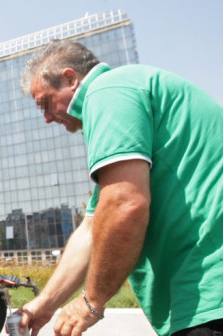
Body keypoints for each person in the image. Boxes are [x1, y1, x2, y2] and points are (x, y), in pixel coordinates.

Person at [16, 40, 223, 336]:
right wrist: (43, 305)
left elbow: (125, 204)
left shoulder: (108, 91)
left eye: (46, 104)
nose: (47, 118)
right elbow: (91, 229)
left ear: (70, 78)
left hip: (210, 288)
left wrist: (91, 301)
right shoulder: (129, 98)